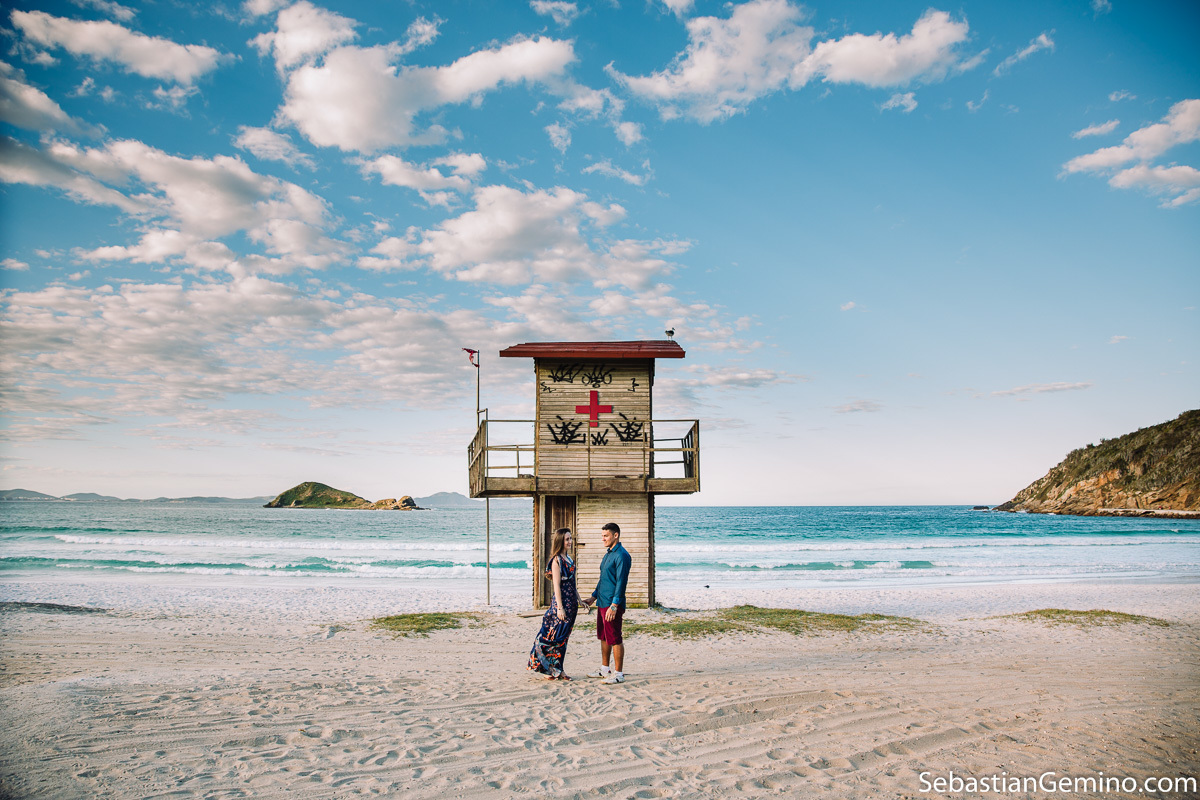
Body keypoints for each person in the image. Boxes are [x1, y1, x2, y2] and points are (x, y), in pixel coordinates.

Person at [582, 522, 631, 685]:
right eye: (602, 536)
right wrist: (593, 597)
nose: (603, 539)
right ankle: (604, 669)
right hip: (602, 601)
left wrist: (614, 605)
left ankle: (618, 673)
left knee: (615, 637)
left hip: (612, 604)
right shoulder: (608, 553)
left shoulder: (622, 555)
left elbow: (621, 583)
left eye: (606, 536)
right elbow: (604, 579)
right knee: (604, 636)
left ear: (615, 535)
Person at [528, 527, 578, 680]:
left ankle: (559, 670)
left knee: (564, 638)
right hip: (561, 604)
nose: (570, 542)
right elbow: (556, 585)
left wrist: (580, 599)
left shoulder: (569, 559)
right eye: (567, 539)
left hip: (572, 603)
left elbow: (572, 583)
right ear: (560, 541)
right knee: (553, 636)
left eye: (570, 538)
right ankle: (550, 669)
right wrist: (560, 608)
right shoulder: (557, 560)